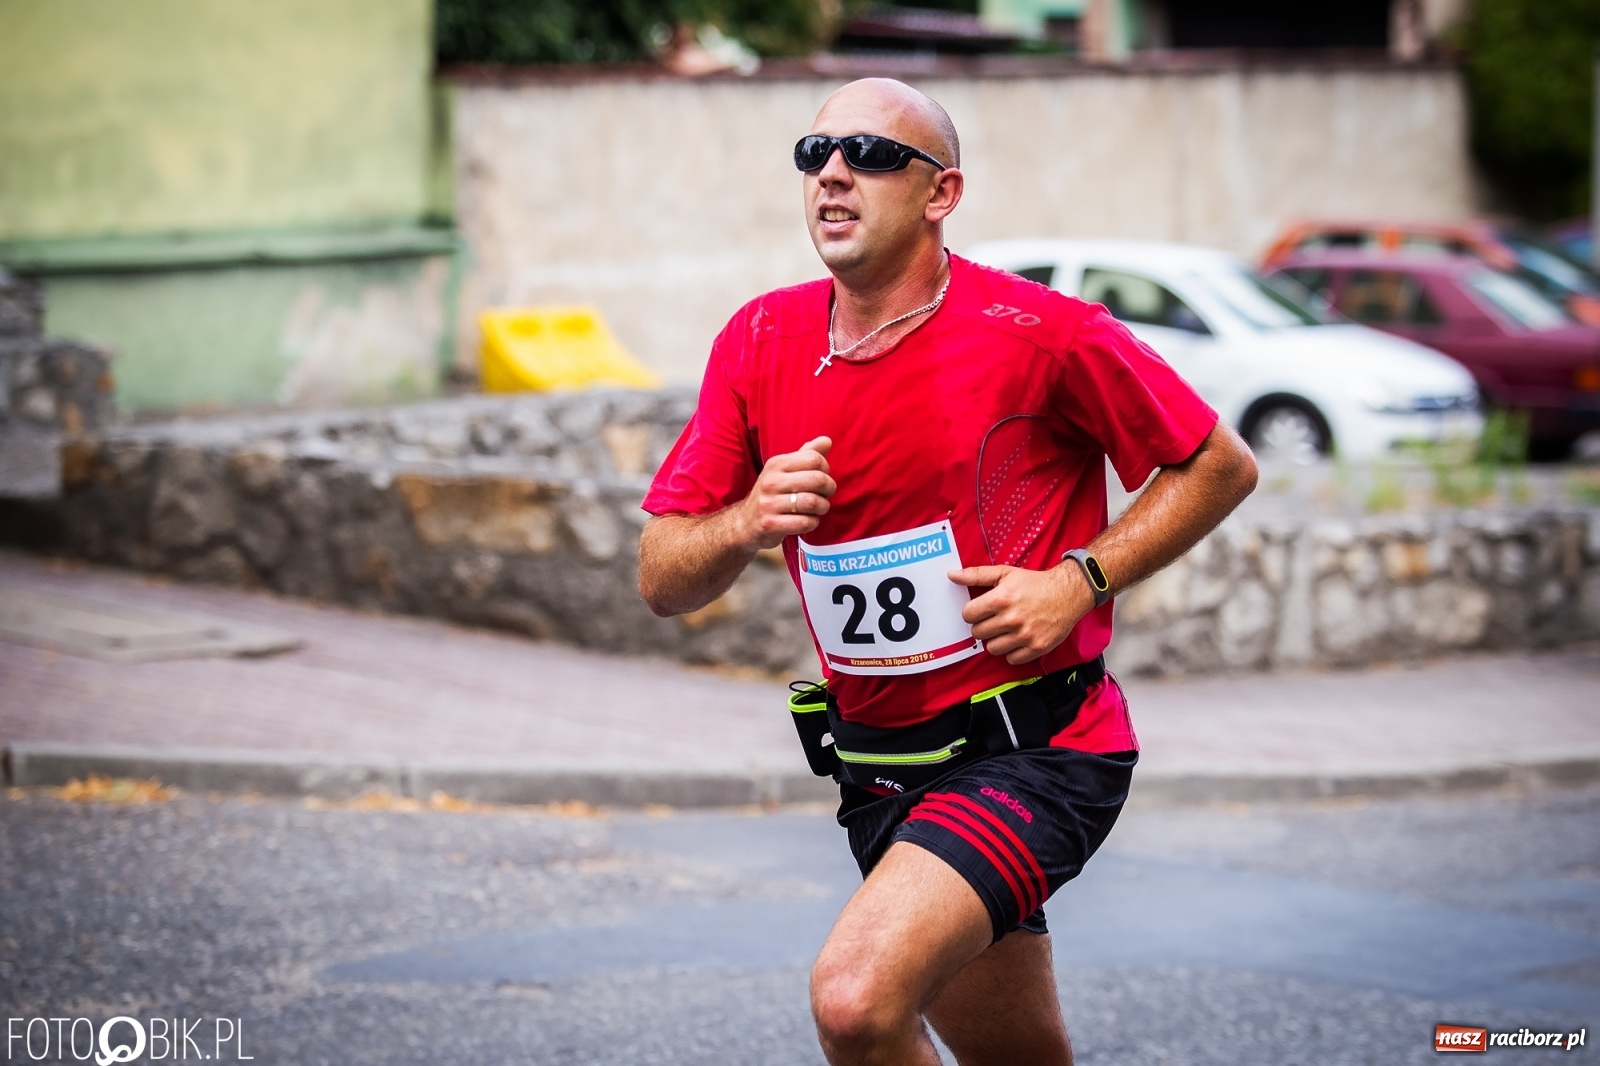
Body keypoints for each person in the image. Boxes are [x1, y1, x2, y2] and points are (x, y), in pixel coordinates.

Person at [637, 78, 1258, 1066]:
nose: (834, 173)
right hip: (880, 769)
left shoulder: (1044, 333)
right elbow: (661, 577)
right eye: (815, 153)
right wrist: (748, 518)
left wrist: (1077, 581)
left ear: (941, 193)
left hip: (1036, 750)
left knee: (854, 1000)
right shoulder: (759, 339)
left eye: (872, 155)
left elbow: (1218, 463)